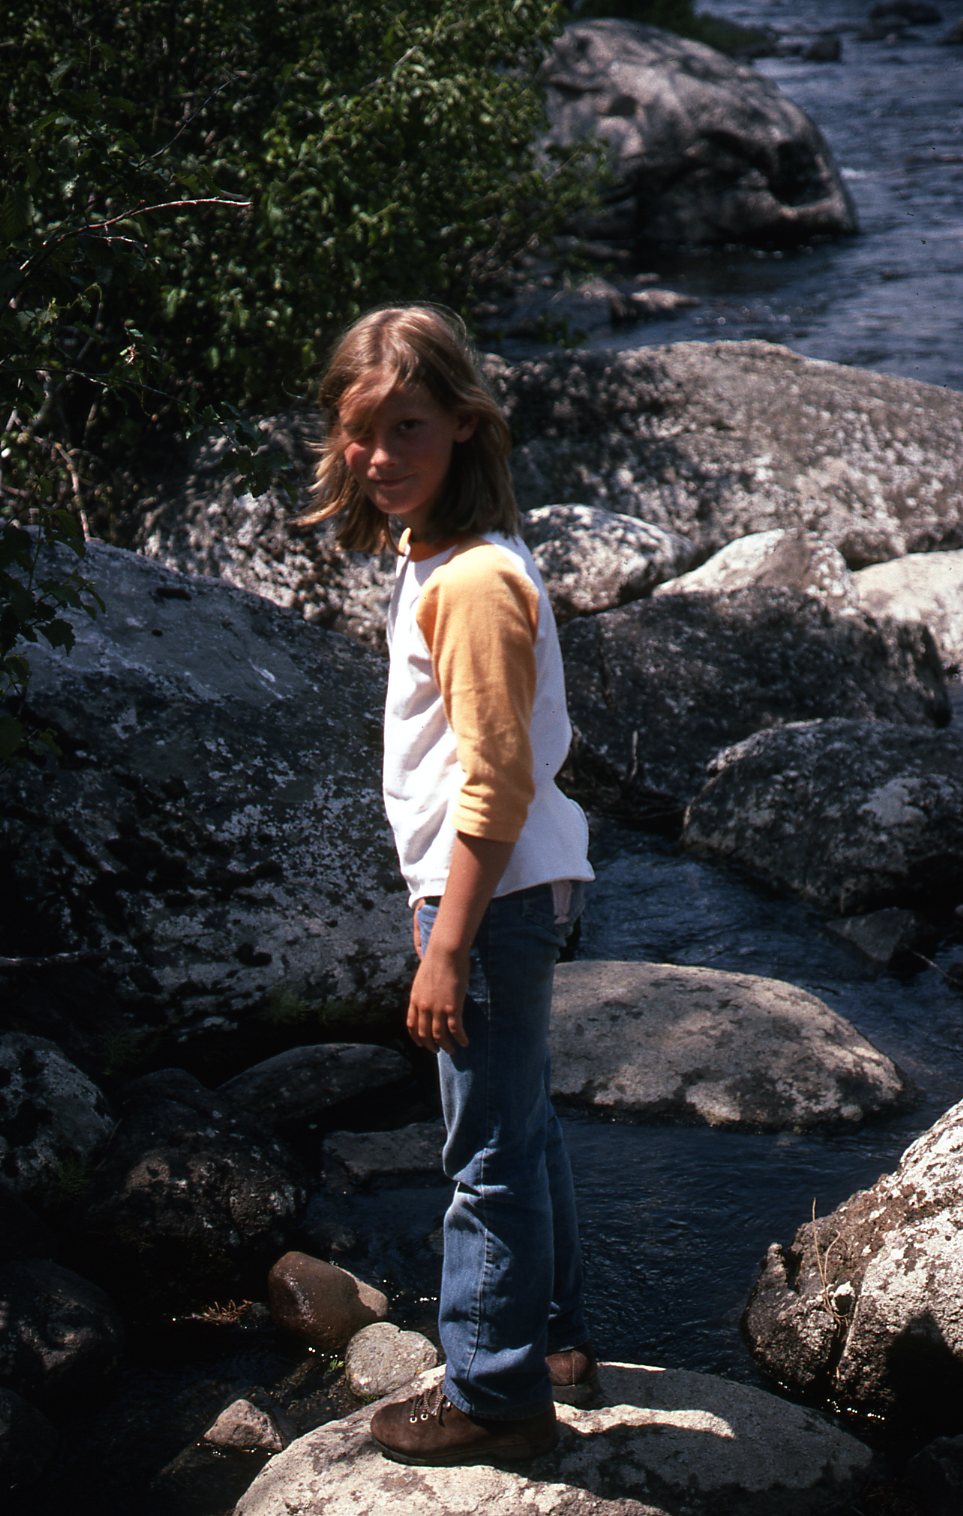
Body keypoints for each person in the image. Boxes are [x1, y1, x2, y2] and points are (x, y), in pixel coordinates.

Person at [301, 304, 596, 1466]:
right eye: (361, 430)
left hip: (489, 898)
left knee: (485, 1157)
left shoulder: (471, 580)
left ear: (465, 424)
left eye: (407, 427)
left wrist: (446, 945)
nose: (378, 456)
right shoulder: (440, 553)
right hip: (515, 888)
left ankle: (493, 1392)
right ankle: (553, 1340)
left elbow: (496, 779)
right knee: (523, 1125)